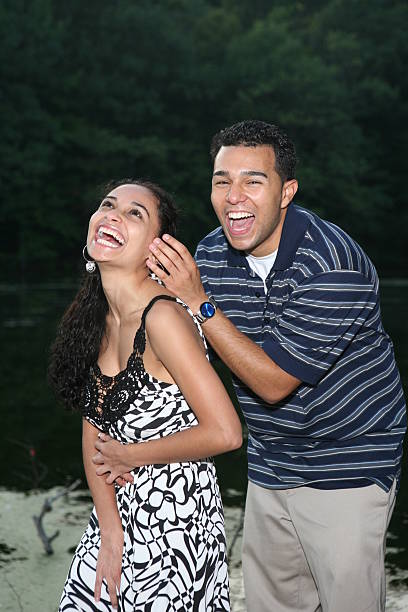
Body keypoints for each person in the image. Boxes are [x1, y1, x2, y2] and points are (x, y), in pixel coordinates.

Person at [138, 121, 406, 612]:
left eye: (253, 181)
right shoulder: (212, 255)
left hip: (347, 465)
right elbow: (188, 354)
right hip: (269, 462)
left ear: (287, 191)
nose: (233, 197)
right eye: (222, 181)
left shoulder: (332, 265)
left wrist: (199, 303)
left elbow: (273, 382)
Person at [49, 179, 242, 611]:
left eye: (136, 213)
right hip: (116, 517)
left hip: (177, 522)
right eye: (108, 204)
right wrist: (111, 532)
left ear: (157, 247)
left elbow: (227, 432)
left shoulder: (164, 317)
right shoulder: (95, 321)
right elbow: (93, 438)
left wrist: (130, 456)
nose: (113, 215)